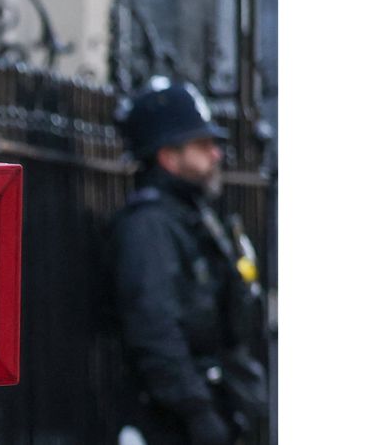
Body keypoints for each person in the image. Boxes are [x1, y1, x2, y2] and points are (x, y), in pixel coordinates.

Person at [105, 77, 268, 445]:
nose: (215, 155)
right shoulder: (148, 227)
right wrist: (197, 411)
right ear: (168, 155)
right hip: (172, 425)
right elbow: (155, 327)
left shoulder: (190, 216)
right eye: (202, 145)